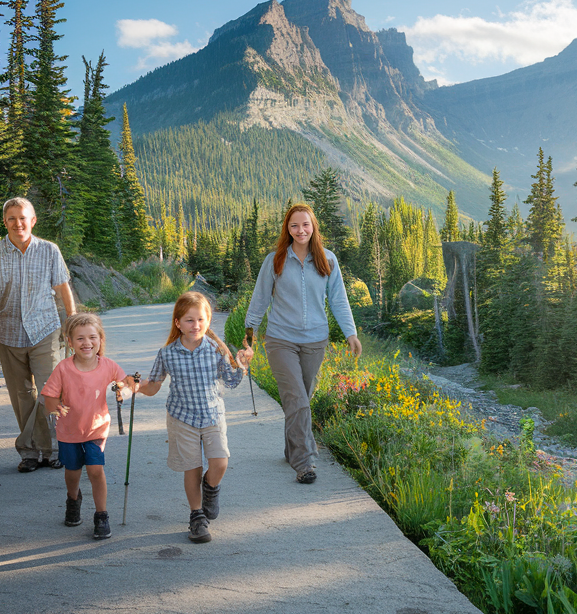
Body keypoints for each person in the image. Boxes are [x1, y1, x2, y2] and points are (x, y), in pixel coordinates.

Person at [245, 203, 361, 486]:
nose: (301, 230)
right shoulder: (275, 260)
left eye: (305, 225)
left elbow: (338, 300)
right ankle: (304, 461)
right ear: (287, 228)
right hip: (280, 340)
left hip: (315, 341)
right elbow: (260, 299)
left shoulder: (327, 260)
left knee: (301, 401)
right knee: (297, 399)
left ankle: (291, 450)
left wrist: (351, 334)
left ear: (313, 227)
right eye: (294, 225)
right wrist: (249, 340)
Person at [140, 292, 254, 543]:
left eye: (201, 319)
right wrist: (134, 386)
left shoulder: (215, 349)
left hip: (212, 415)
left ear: (208, 320)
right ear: (178, 322)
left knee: (220, 463)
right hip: (182, 418)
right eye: (189, 320)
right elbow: (153, 386)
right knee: (192, 468)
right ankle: (197, 516)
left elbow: (232, 381)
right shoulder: (167, 353)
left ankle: (210, 489)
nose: (196, 325)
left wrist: (242, 363)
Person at [0, 197, 77, 472]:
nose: (17, 223)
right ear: (5, 222)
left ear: (33, 221)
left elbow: (63, 289)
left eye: (23, 217)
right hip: (9, 334)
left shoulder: (49, 250)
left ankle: (53, 449)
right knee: (22, 395)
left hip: (45, 330)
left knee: (51, 392)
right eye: (11, 218)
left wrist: (73, 325)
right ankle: (32, 454)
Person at [42, 313, 132, 540]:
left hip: (96, 428)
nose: (87, 343)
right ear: (70, 342)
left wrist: (125, 391)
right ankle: (73, 499)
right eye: (80, 338)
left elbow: (125, 383)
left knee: (95, 469)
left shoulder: (108, 365)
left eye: (92, 337)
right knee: (72, 472)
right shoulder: (63, 369)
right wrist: (56, 407)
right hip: (69, 430)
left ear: (100, 340)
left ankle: (101, 515)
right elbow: (49, 399)